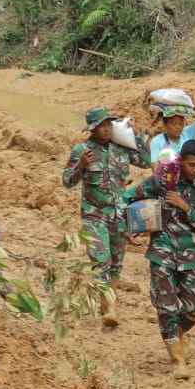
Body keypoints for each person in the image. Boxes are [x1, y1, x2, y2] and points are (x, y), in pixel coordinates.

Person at [122, 141, 195, 377]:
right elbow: (127, 198)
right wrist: (129, 227)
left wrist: (185, 207)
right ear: (181, 160)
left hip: (189, 256)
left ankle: (179, 334)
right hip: (161, 252)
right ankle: (176, 359)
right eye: (191, 164)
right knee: (166, 307)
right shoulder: (162, 181)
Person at [61, 108, 149, 316]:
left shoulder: (121, 148)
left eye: (109, 124)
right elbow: (67, 181)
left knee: (116, 263)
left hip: (118, 215)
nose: (107, 129)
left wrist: (138, 134)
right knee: (102, 261)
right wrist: (81, 166)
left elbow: (146, 161)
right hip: (94, 215)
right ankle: (110, 309)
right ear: (92, 129)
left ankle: (107, 303)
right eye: (102, 126)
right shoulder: (82, 150)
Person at [148, 101, 195, 167]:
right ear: (165, 125)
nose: (178, 127)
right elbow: (155, 166)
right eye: (173, 124)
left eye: (181, 123)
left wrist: (193, 102)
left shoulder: (187, 133)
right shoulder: (157, 141)